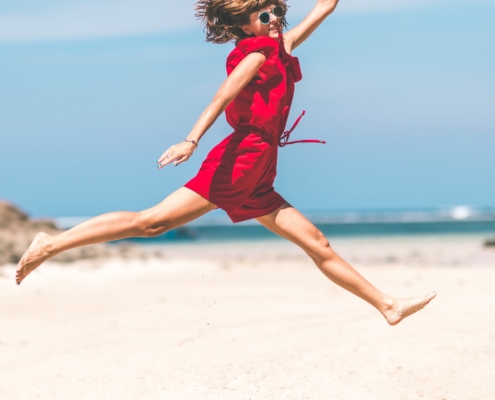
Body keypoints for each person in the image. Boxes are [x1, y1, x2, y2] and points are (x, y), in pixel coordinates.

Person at [16, 0, 435, 325]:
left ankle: (387, 305)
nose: (274, 19)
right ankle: (50, 243)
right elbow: (222, 97)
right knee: (153, 222)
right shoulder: (254, 55)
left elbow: (324, 7)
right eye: (264, 14)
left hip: (261, 164)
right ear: (243, 24)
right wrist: (190, 140)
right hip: (241, 157)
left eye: (276, 11)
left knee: (317, 243)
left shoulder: (279, 48)